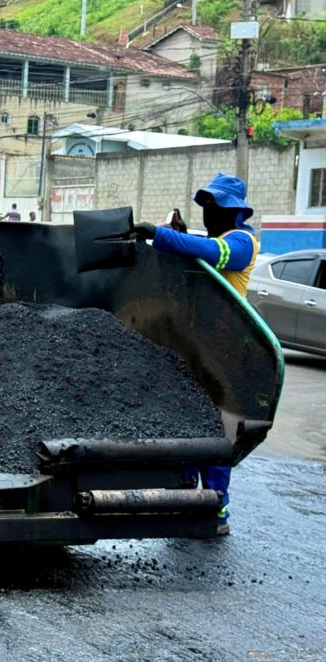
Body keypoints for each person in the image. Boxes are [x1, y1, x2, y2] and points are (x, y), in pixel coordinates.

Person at [134, 172, 259, 536]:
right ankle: (184, 498)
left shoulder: (242, 242)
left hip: (225, 352)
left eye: (215, 206)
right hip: (195, 349)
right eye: (205, 206)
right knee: (186, 426)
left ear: (234, 212)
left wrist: (161, 235)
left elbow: (211, 253)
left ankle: (215, 508)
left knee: (218, 431)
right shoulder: (217, 237)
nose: (209, 213)